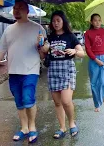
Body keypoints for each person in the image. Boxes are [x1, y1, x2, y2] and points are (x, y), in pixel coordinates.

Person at [0, 0, 46, 143]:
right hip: (13, 71)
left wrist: (41, 45)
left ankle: (32, 127)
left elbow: (43, 54)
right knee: (19, 101)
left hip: (31, 70)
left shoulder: (38, 29)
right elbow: (1, 50)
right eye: (15, 8)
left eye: (20, 8)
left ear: (27, 11)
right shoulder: (8, 30)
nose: (16, 11)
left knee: (28, 98)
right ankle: (24, 128)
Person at [40, 10, 84, 138]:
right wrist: (41, 46)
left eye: (58, 20)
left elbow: (82, 53)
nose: (56, 23)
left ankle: (71, 123)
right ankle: (62, 127)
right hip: (53, 70)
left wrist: (74, 51)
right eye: (53, 21)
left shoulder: (70, 36)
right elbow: (43, 56)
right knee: (57, 103)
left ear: (63, 21)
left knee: (66, 101)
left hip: (67, 69)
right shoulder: (50, 37)